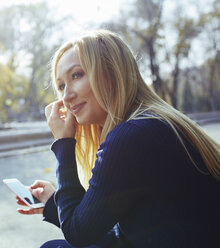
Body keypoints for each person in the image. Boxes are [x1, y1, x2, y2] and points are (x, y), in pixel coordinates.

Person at [15, 30, 220, 248]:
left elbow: (80, 234)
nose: (66, 97)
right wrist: (53, 205)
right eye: (61, 86)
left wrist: (63, 144)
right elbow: (115, 232)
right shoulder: (151, 123)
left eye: (76, 75)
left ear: (113, 73)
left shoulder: (132, 136)